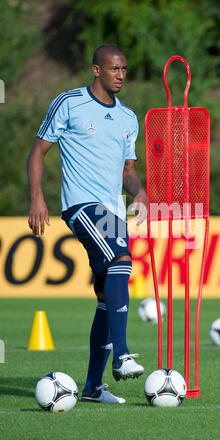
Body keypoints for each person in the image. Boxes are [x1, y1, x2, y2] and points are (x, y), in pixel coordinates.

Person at [27, 44, 148, 404]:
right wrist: (37, 196)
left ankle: (94, 387)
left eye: (125, 69)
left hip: (113, 211)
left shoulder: (128, 118)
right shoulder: (69, 103)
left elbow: (128, 171)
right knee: (122, 262)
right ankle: (123, 355)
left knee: (105, 296)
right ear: (97, 70)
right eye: (114, 69)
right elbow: (38, 151)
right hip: (81, 206)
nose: (121, 74)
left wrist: (139, 193)